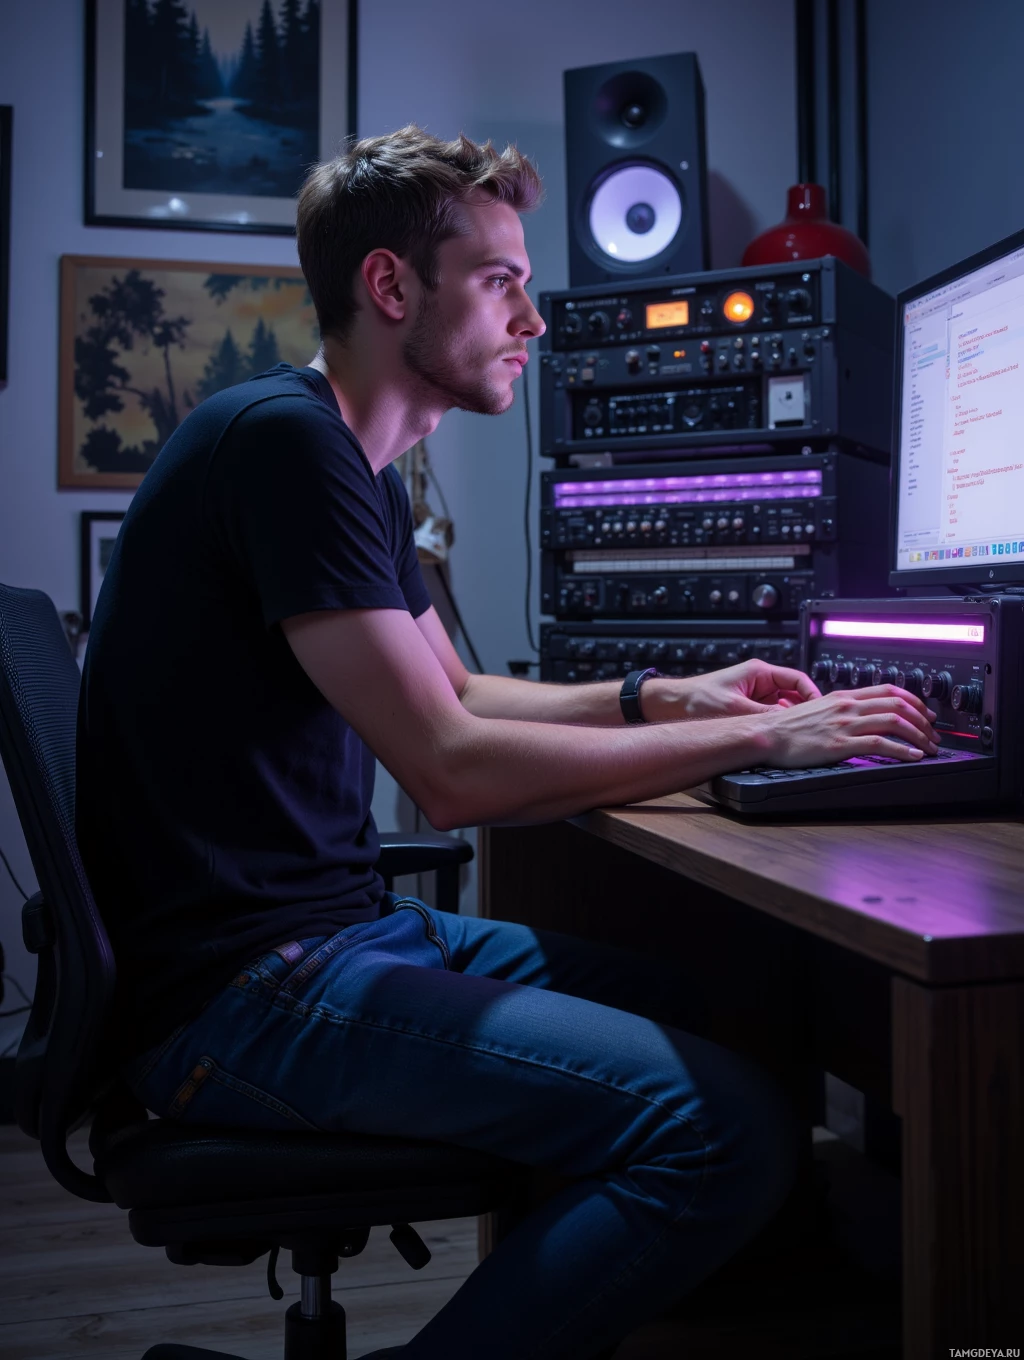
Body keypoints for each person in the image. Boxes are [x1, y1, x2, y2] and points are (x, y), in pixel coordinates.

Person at [77, 125, 940, 1360]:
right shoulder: (283, 446)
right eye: (499, 282)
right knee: (726, 1129)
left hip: (326, 934)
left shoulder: (354, 459)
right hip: (241, 998)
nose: (532, 318)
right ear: (390, 288)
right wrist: (771, 738)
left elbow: (464, 691)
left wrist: (677, 695)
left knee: (713, 1000)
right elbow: (450, 772)